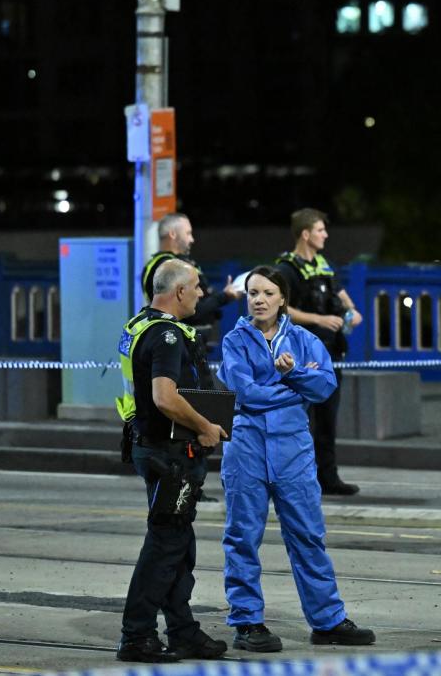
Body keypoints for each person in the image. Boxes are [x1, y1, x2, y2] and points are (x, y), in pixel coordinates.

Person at [219, 266, 375, 652]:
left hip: (294, 454)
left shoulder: (304, 339)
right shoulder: (234, 341)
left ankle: (327, 621)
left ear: (283, 298)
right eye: (253, 292)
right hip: (246, 451)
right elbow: (245, 393)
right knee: (242, 538)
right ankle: (247, 622)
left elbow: (325, 385)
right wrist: (292, 385)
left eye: (268, 293)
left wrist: (295, 378)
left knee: (308, 537)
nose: (258, 300)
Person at [115, 259, 228, 663]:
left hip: (154, 447)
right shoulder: (165, 335)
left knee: (178, 543)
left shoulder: (140, 325)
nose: (201, 293)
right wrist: (205, 426)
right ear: (178, 292)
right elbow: (165, 397)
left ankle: (183, 631)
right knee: (165, 545)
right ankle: (137, 635)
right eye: (196, 286)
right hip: (171, 454)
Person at [274, 208, 364, 495]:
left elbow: (338, 291)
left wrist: (351, 310)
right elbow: (281, 308)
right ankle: (291, 479)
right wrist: (319, 319)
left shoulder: (323, 265)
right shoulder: (287, 269)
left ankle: (328, 477)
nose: (325, 235)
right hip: (302, 354)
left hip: (330, 353)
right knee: (297, 419)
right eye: (320, 230)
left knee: (328, 418)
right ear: (305, 234)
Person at [141, 213, 243, 339]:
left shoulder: (152, 265)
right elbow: (192, 311)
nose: (192, 239)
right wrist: (224, 296)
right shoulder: (171, 268)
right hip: (180, 341)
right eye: (188, 233)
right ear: (173, 234)